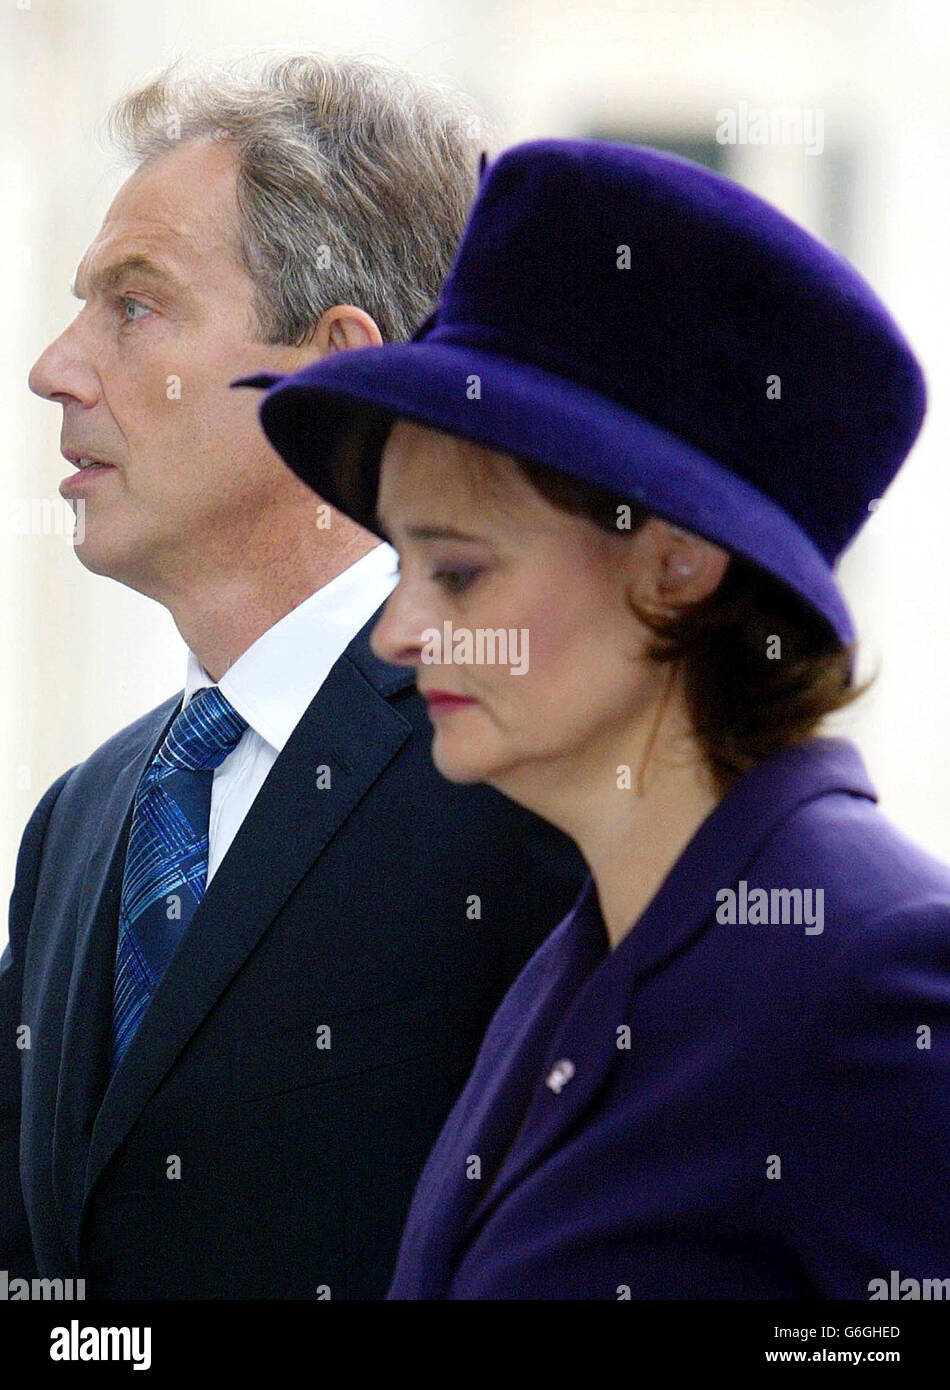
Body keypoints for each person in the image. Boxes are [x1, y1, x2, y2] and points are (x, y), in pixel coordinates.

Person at [252, 138, 950, 1299]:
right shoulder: (578, 960)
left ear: (674, 564)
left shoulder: (870, 970)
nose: (396, 634)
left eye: (458, 573)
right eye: (398, 568)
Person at [1, 66, 586, 1300]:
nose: (55, 369)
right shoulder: (78, 821)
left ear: (333, 379)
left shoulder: (534, 777)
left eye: (135, 306)